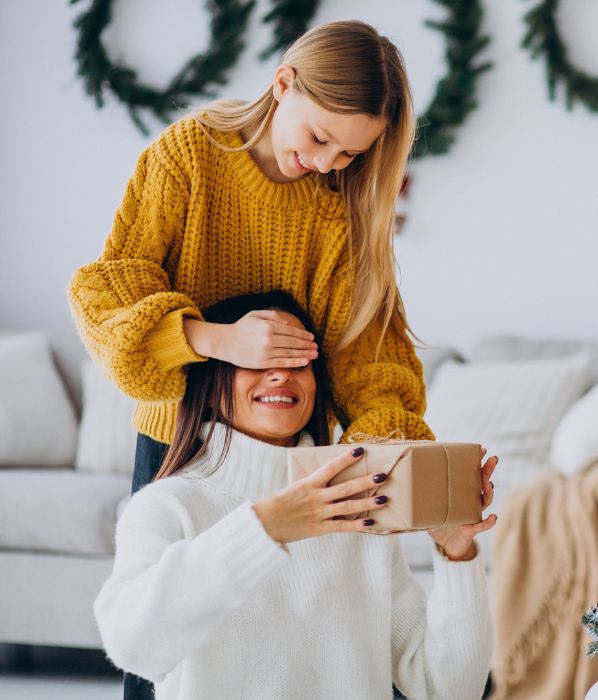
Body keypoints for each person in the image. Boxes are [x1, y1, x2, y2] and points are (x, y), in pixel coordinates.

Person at [66, 21, 436, 698]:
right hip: (180, 442)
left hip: (293, 453)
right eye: (321, 137)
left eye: (352, 153)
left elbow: (370, 353)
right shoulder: (191, 155)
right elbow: (108, 289)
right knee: (165, 643)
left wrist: (380, 446)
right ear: (282, 83)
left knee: (292, 643)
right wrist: (218, 339)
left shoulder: (340, 211)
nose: (329, 163)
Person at [94, 291, 498, 700]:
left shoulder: (358, 509)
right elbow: (132, 645)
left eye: (299, 360)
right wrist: (263, 529)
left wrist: (457, 556)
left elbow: (450, 689)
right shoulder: (168, 506)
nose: (281, 373)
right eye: (257, 357)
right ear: (211, 385)